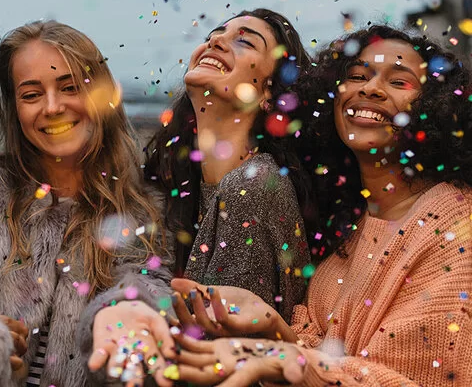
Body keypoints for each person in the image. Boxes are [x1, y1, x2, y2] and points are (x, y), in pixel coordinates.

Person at [169, 25, 472, 386]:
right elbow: (326, 360)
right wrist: (272, 325)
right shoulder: (350, 226)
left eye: (399, 82)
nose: (370, 88)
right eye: (357, 76)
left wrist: (283, 355)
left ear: (436, 108)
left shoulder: (455, 230)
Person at [0, 20, 176, 387]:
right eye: (31, 94)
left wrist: (127, 314)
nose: (52, 107)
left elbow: (147, 283)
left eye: (70, 87)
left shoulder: (143, 207)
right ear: (14, 107)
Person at [145, 9, 315, 322]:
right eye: (212, 36)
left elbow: (224, 345)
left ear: (268, 91)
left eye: (245, 42)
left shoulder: (253, 186)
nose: (217, 41)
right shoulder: (184, 185)